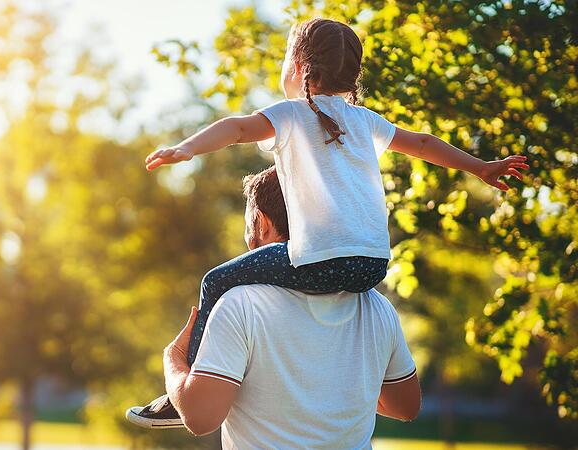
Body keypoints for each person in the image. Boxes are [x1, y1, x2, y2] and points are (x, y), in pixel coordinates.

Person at [128, 18, 528, 426]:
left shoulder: (292, 115)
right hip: (373, 266)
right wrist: (480, 167)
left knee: (215, 281)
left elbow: (236, 128)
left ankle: (187, 389)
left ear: (299, 67)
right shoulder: (365, 120)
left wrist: (186, 148)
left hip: (320, 260)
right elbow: (423, 144)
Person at [131, 167, 421, 448]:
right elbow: (406, 406)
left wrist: (174, 360)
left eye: (248, 226)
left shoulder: (239, 304)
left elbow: (199, 418)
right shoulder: (376, 306)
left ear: (260, 221)